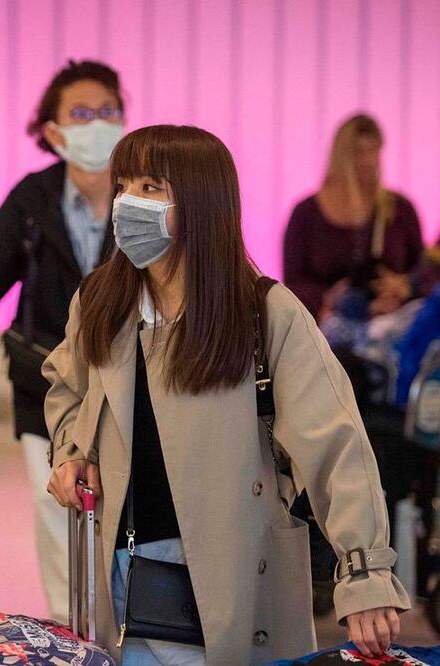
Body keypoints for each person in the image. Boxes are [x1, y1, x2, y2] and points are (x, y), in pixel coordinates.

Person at [45, 125, 410, 664]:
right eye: (123, 183)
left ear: (200, 203)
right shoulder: (102, 301)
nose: (128, 201)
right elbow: (66, 386)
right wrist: (71, 451)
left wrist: (366, 575)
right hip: (123, 577)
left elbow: (337, 445)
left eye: (150, 187)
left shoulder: (265, 313)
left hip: (237, 575)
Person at [0, 59, 124, 621]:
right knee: (63, 530)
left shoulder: (146, 198)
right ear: (53, 130)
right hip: (47, 392)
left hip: (133, 396)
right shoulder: (33, 202)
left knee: (129, 533)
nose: (98, 124)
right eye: (82, 113)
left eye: (109, 111)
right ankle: (76, 645)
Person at [283, 114, 423, 322]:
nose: (367, 161)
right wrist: (327, 298)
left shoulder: (399, 209)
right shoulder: (306, 214)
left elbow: (422, 270)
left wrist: (403, 285)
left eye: (373, 151)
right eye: (358, 152)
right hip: (327, 328)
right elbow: (293, 282)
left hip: (390, 327)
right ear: (340, 156)